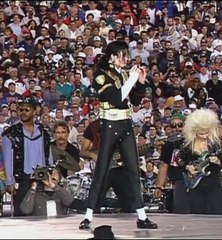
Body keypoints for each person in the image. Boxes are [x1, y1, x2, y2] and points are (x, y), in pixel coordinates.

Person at [79, 40, 157, 229]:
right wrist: (131, 79)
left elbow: (134, 100)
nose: (125, 59)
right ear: (113, 56)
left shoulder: (123, 74)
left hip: (126, 124)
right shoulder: (100, 75)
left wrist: (139, 83)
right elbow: (116, 97)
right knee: (101, 171)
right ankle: (88, 215)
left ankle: (141, 215)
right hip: (110, 125)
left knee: (133, 170)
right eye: (122, 55)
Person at [2, 97, 53, 216]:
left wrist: (51, 171)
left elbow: (48, 153)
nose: (23, 112)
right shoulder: (10, 134)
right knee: (22, 213)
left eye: (27, 109)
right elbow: (7, 160)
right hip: (22, 179)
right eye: (21, 110)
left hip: (42, 178)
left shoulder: (43, 132)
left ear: (35, 111)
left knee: (41, 213)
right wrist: (10, 182)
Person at [177, 109, 222, 214]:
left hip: (213, 181)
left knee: (217, 211)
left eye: (207, 132)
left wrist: (218, 162)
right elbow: (179, 160)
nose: (205, 136)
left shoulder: (215, 144)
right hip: (194, 183)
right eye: (201, 133)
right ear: (194, 131)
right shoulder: (188, 145)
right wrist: (188, 167)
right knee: (197, 212)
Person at [154, 113, 190, 214]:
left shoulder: (192, 141)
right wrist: (159, 187)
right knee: (182, 213)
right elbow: (164, 166)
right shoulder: (168, 144)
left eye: (180, 125)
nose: (177, 128)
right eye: (173, 126)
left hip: (195, 180)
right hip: (179, 182)